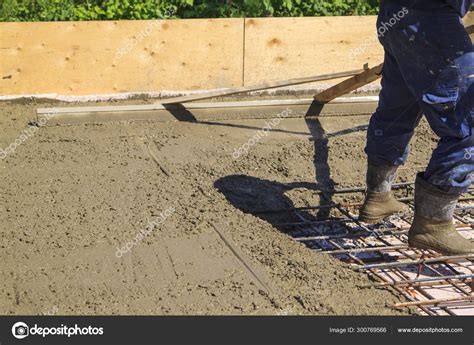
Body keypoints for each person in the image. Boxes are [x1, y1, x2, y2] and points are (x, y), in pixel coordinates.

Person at [359, 0, 474, 255]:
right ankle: (433, 223)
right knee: (468, 124)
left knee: (398, 107)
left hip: (398, 13)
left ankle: (378, 196)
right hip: (432, 23)